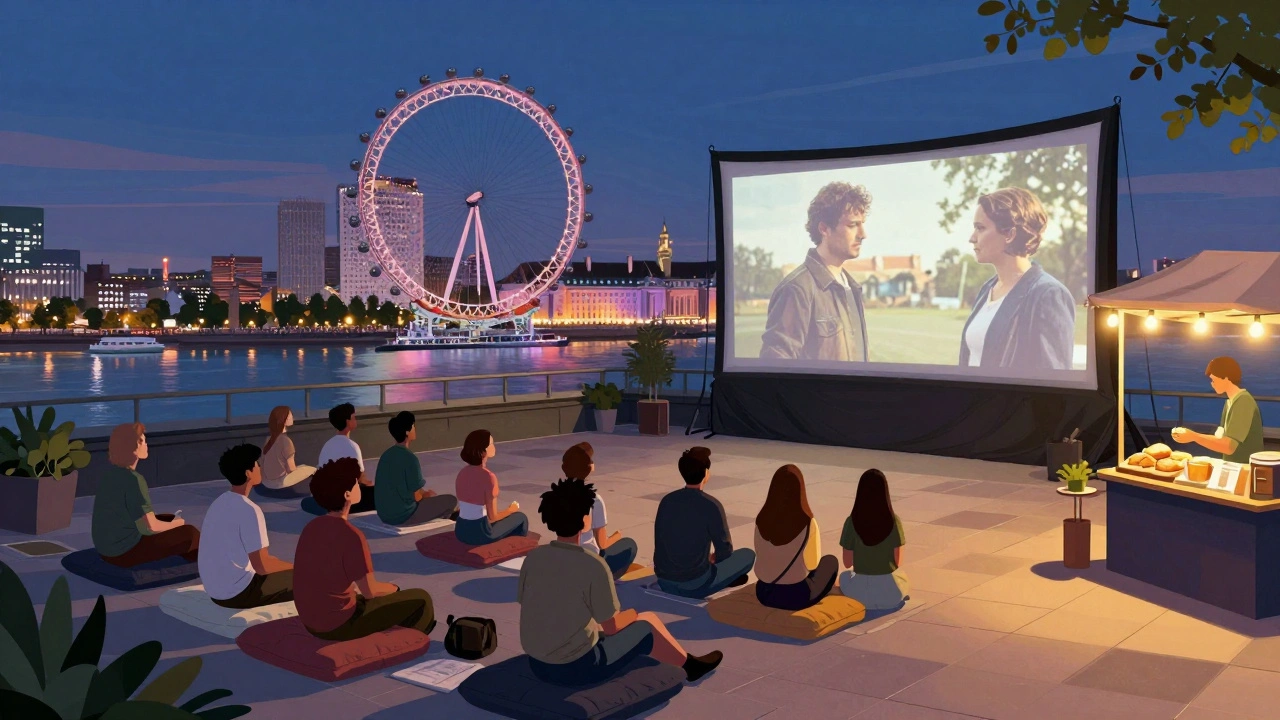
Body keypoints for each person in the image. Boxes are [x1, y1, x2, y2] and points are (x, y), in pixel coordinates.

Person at [518, 477, 724, 686]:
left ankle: (687, 661)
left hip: (538, 663)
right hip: (577, 666)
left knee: (645, 618)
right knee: (645, 625)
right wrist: (632, 613)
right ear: (584, 519)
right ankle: (690, 668)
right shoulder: (592, 564)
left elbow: (534, 605)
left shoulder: (535, 557)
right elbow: (612, 627)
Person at [294, 458, 435, 641]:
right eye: (356, 483)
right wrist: (393, 588)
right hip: (338, 624)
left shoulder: (311, 527)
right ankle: (408, 642)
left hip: (311, 619)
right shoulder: (351, 535)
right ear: (347, 494)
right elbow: (370, 591)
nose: (359, 486)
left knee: (372, 598)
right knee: (420, 598)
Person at [959, 187, 1076, 373]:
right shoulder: (988, 288)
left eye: (980, 228)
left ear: (1010, 234)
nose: (972, 238)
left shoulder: (1047, 294)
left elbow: (1054, 382)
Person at [759, 181, 871, 362]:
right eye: (852, 225)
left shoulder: (852, 287)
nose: (863, 234)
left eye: (862, 224)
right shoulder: (797, 289)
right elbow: (775, 366)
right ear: (824, 229)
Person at [653, 447, 756, 598]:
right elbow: (724, 550)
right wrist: (715, 560)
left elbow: (660, 540)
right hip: (696, 584)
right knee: (747, 555)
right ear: (706, 473)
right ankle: (726, 579)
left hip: (664, 580)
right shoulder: (711, 505)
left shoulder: (667, 501)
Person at [92, 423, 200, 567]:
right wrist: (178, 524)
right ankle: (206, 562)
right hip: (122, 553)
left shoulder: (109, 475)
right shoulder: (134, 480)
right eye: (144, 441)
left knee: (168, 518)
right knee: (190, 533)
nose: (146, 445)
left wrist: (171, 523)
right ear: (135, 446)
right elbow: (150, 528)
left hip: (105, 549)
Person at [200, 444, 294, 609]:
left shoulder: (219, 502)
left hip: (215, 591)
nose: (260, 467)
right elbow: (263, 566)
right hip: (239, 594)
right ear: (248, 473)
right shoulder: (249, 510)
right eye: (257, 464)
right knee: (308, 578)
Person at [752, 465, 838, 611]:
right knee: (830, 562)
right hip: (796, 596)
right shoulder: (808, 523)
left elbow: (760, 552)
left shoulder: (761, 520)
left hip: (763, 593)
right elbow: (812, 564)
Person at [562, 442, 639, 579]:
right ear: (589, 467)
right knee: (629, 545)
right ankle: (605, 580)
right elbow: (602, 544)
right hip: (589, 560)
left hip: (565, 557)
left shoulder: (558, 495)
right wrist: (617, 535)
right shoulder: (594, 499)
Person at [838, 469, 909, 610]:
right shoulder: (894, 521)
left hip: (858, 594)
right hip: (890, 594)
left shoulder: (851, 522)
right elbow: (898, 562)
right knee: (903, 578)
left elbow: (847, 563)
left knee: (844, 576)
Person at [1172, 356, 1264, 464]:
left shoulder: (1243, 402)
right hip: (1232, 466)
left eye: (1214, 380)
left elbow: (1229, 447)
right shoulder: (1229, 403)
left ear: (1226, 378)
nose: (1212, 384)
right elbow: (1220, 437)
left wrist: (1194, 436)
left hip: (1245, 468)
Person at [375, 411, 458, 526]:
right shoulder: (410, 458)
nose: (415, 429)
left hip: (384, 515)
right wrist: (427, 496)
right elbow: (417, 496)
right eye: (413, 426)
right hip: (404, 515)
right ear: (407, 432)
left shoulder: (386, 455)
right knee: (451, 500)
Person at [454, 429, 529, 545]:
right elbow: (493, 517)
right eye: (491, 444)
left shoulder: (462, 473)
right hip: (481, 533)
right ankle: (516, 546)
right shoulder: (489, 477)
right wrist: (510, 509)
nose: (494, 447)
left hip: (460, 531)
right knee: (521, 517)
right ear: (483, 450)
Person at [301, 403, 376, 515]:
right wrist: (371, 484)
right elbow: (361, 477)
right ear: (347, 422)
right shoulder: (352, 446)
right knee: (377, 493)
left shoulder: (328, 445)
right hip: (347, 498)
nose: (356, 419)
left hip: (329, 495)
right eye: (353, 417)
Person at [259, 406, 314, 493]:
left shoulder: (269, 439)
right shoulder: (286, 441)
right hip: (279, 483)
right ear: (284, 420)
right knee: (312, 469)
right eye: (290, 415)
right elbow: (291, 469)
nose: (292, 417)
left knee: (303, 466)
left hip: (266, 482)